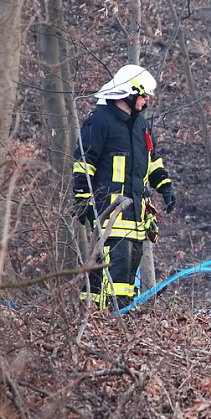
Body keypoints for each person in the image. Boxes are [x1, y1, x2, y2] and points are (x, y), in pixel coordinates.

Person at [72, 64, 177, 311]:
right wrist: (83, 199)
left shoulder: (141, 125)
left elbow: (151, 161)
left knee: (127, 266)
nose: (146, 100)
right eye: (143, 95)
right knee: (114, 265)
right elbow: (84, 163)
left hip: (137, 213)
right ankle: (111, 317)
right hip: (110, 211)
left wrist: (165, 186)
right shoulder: (99, 121)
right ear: (129, 94)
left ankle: (110, 314)